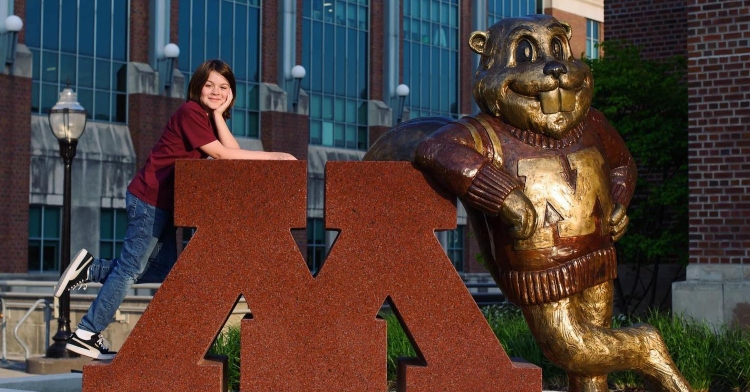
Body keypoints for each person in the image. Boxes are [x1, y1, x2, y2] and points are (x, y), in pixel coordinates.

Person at [53, 59, 296, 360]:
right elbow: (223, 155)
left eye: (223, 87)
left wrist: (220, 115)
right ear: (197, 87)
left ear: (231, 92)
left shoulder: (207, 119)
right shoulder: (190, 112)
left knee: (164, 269)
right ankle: (87, 332)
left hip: (166, 205)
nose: (215, 91)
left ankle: (92, 269)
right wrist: (276, 157)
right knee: (130, 269)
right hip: (150, 200)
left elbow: (234, 156)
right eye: (209, 85)